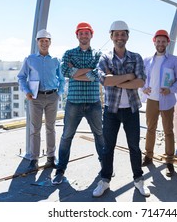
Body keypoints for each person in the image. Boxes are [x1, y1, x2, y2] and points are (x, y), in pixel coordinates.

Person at [92, 20, 150, 198]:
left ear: (127, 36)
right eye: (116, 34)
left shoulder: (136, 57)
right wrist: (128, 77)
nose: (119, 37)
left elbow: (140, 82)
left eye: (122, 34)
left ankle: (138, 180)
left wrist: (115, 79)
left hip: (131, 109)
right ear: (111, 36)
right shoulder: (105, 58)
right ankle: (105, 180)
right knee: (108, 147)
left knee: (134, 147)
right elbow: (105, 81)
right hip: (111, 110)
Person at [52, 22, 104, 185]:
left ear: (91, 35)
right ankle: (60, 170)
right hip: (74, 102)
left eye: (86, 33)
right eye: (80, 33)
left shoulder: (98, 54)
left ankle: (106, 166)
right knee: (67, 136)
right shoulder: (68, 53)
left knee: (100, 135)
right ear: (77, 36)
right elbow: (65, 72)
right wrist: (88, 71)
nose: (83, 36)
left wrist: (76, 73)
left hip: (93, 102)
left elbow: (98, 74)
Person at [17, 29, 65, 173]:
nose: (44, 43)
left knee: (51, 128)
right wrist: (26, 92)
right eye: (41, 41)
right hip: (35, 98)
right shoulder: (30, 59)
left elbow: (62, 79)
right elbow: (21, 77)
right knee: (35, 129)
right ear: (37, 43)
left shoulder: (56, 60)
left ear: (50, 43)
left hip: (52, 97)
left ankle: (51, 158)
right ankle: (34, 159)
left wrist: (59, 93)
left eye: (46, 41)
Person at [141, 30, 177, 177]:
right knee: (150, 128)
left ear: (167, 43)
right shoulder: (147, 60)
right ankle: (148, 156)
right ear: (154, 42)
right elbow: (141, 77)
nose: (160, 44)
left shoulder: (174, 60)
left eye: (163, 41)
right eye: (158, 41)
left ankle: (169, 162)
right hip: (152, 99)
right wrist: (143, 88)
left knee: (168, 131)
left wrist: (170, 90)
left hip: (167, 100)